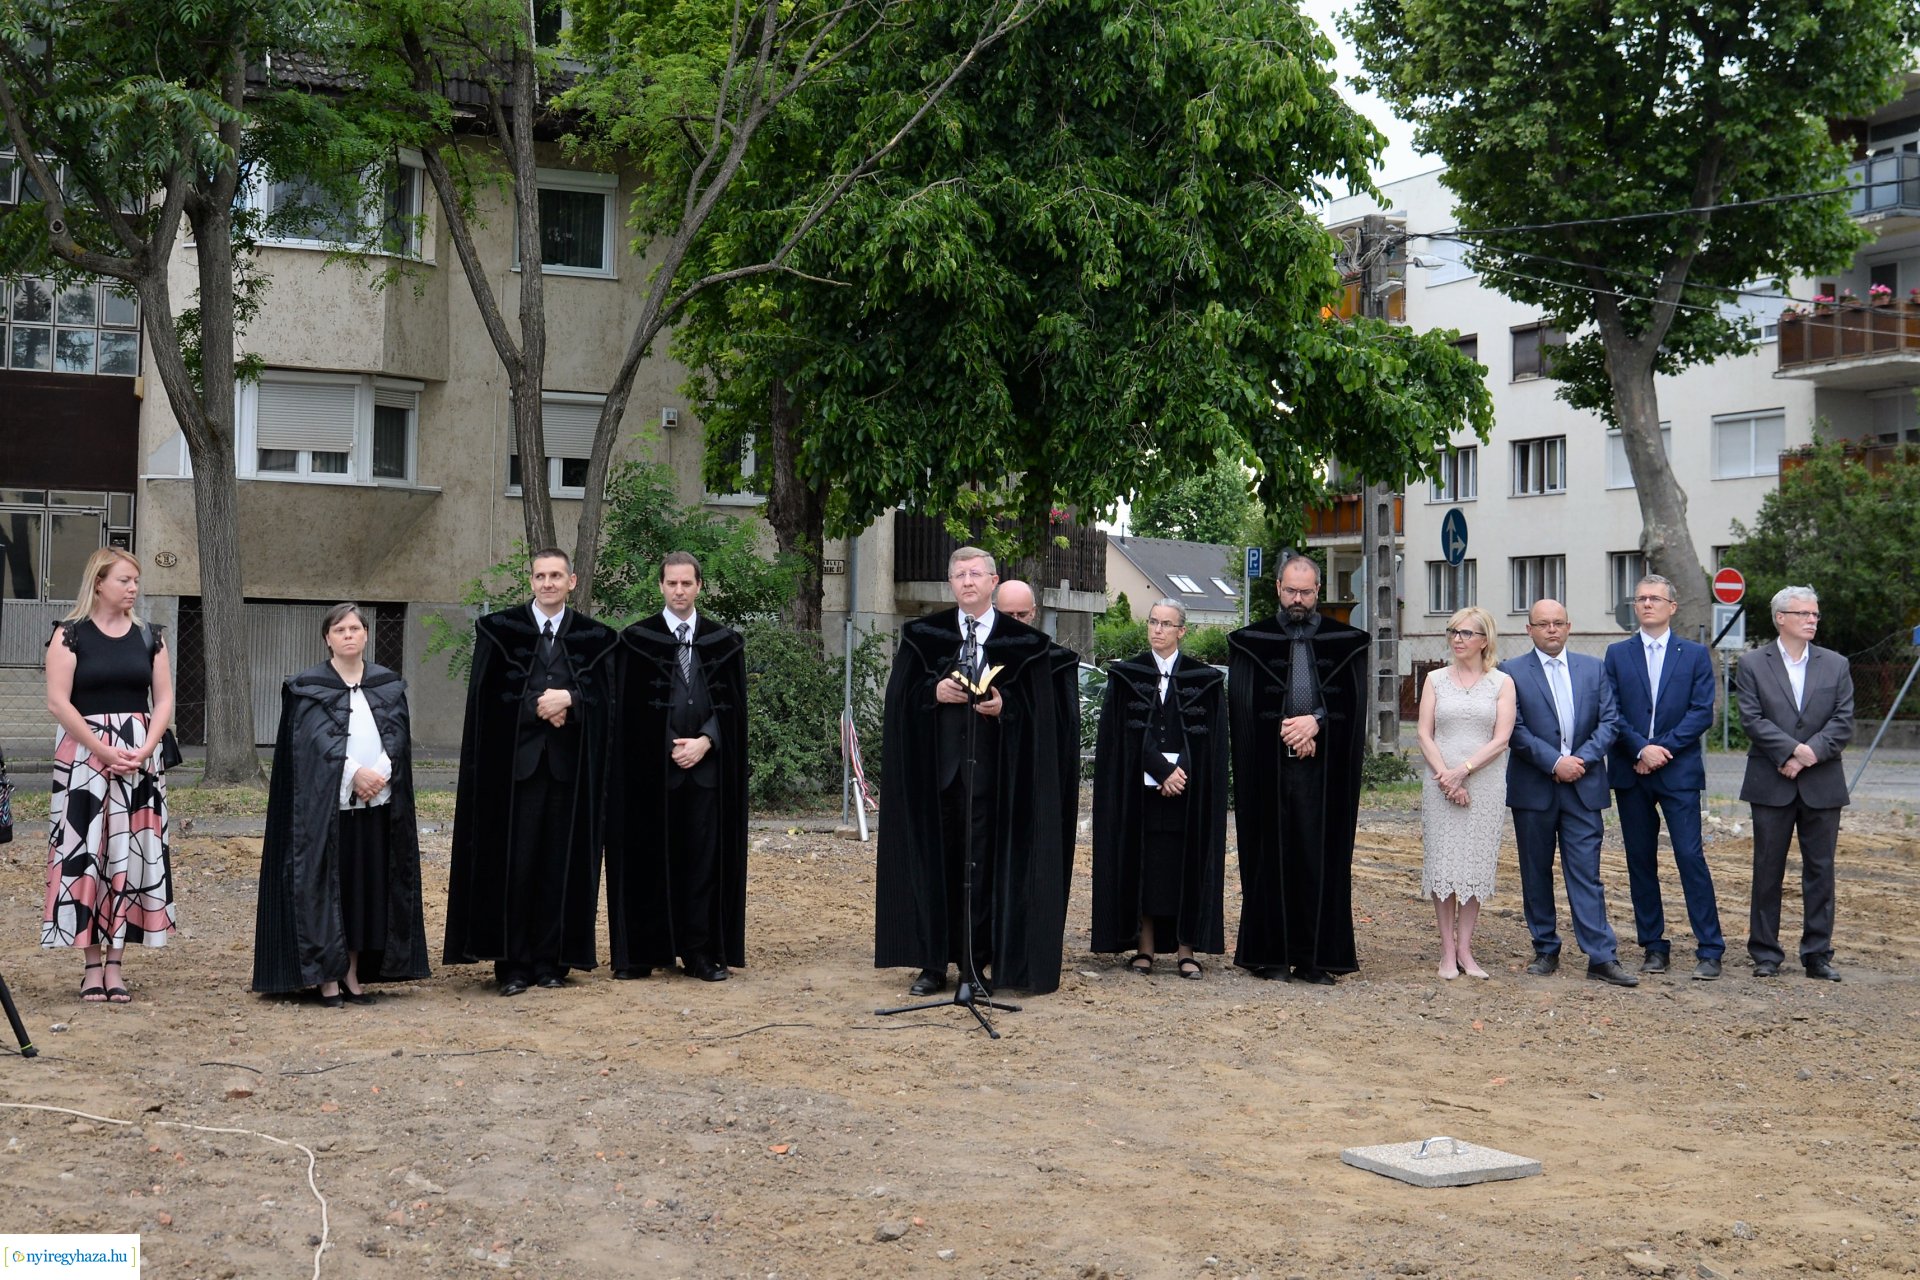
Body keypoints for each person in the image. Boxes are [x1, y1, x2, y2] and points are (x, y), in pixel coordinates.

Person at [875, 547, 1070, 996]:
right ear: (950, 583)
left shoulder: (1021, 642)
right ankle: (931, 964)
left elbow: (1041, 718)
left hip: (993, 782)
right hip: (937, 777)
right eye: (959, 575)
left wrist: (1006, 707)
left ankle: (975, 963)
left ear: (993, 581)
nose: (967, 581)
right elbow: (899, 702)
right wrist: (932, 691)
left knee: (982, 873)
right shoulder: (924, 635)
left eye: (975, 574)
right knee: (934, 868)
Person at [444, 548, 618, 996]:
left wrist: (572, 703)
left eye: (556, 576)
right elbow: (485, 702)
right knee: (515, 867)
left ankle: (551, 962)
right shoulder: (501, 631)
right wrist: (540, 705)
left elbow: (608, 703)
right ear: (531, 580)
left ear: (572, 581)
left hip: (568, 776)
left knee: (557, 866)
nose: (548, 583)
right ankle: (514, 965)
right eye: (540, 576)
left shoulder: (595, 638)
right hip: (514, 774)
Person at [252, 604, 429, 1005]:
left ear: (366, 635)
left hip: (377, 805)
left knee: (362, 893)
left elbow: (397, 737)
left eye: (355, 628)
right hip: (327, 812)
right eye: (340, 629)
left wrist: (380, 772)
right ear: (327, 638)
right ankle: (325, 978)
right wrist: (353, 774)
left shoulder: (387, 685)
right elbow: (311, 745)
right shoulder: (309, 687)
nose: (349, 635)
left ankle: (351, 974)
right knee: (325, 889)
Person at [607, 552, 749, 982]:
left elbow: (735, 711)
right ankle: (646, 951)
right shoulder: (636, 640)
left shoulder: (723, 642)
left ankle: (700, 952)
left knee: (702, 863)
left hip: (706, 774)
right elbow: (625, 711)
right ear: (661, 587)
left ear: (699, 586)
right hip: (653, 773)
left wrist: (706, 740)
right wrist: (667, 743)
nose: (679, 591)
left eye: (687, 583)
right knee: (650, 859)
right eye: (672, 584)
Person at [42, 547, 175, 1004]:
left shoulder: (150, 637)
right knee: (86, 855)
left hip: (138, 759)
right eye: (124, 580)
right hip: (84, 757)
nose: (133, 588)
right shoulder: (69, 635)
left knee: (127, 856)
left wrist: (145, 748)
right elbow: (59, 701)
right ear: (98, 583)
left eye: (136, 581)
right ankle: (90, 966)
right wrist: (100, 748)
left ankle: (116, 963)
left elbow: (163, 700)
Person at [1227, 554, 1369, 984]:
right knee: (1270, 857)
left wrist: (1316, 723)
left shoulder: (1346, 641)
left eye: (1306, 592)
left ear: (1318, 592)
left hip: (1324, 772)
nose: (1298, 599)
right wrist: (1286, 731)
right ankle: (1271, 956)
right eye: (1290, 590)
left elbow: (1353, 705)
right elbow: (1243, 708)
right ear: (1277, 587)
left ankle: (1315, 958)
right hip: (1268, 770)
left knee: (1318, 859)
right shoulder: (1252, 641)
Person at [1091, 599, 1228, 979]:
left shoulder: (1204, 678)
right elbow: (1123, 735)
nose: (1158, 630)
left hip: (1187, 792)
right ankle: (1145, 948)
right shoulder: (1127, 675)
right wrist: (1160, 769)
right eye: (1153, 622)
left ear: (1182, 631)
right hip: (1140, 792)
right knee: (1145, 865)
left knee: (1184, 864)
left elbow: (1209, 739)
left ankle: (1187, 949)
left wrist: (1180, 772)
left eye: (1167, 624)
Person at [1505, 599, 1638, 986]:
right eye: (1543, 624)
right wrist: (1553, 762)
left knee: (1587, 874)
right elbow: (1514, 728)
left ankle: (1600, 956)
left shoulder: (1593, 669)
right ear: (1528, 629)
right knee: (1536, 871)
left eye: (1558, 623)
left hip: (1584, 785)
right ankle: (1545, 947)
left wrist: (1579, 760)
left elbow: (1610, 722)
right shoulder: (1511, 672)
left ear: (1569, 626)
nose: (1551, 629)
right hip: (1534, 788)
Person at [1604, 574, 1725, 980]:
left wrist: (1659, 751)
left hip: (1678, 771)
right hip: (1631, 770)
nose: (1647, 604)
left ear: (1673, 606)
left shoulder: (1692, 654)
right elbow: (1612, 711)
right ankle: (1653, 946)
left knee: (1690, 857)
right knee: (1640, 860)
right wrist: (1640, 748)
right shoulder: (1617, 654)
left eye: (1655, 598)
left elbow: (1701, 712)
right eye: (1640, 598)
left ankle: (1710, 949)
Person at [1736, 586, 1854, 981]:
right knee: (1768, 868)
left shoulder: (1836, 664)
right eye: (1803, 613)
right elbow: (1752, 718)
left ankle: (1817, 954)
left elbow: (1843, 720)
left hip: (1822, 781)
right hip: (1771, 780)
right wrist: (1788, 753)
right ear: (1780, 618)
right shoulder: (1752, 663)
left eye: (1815, 615)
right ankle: (1766, 953)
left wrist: (1808, 754)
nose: (1811, 620)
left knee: (1821, 870)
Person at [1415, 606, 1514, 981]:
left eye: (1466, 633)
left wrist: (1463, 773)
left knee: (1473, 868)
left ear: (1484, 640)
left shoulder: (1501, 682)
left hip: (1483, 783)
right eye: (1453, 631)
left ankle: (1466, 950)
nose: (1458, 639)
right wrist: (1445, 777)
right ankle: (1445, 952)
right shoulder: (1435, 679)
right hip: (1440, 782)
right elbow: (1425, 733)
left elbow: (1501, 738)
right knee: (1443, 867)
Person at [996, 578, 1082, 914]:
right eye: (1008, 615)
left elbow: (1063, 731)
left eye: (1022, 614)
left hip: (1033, 783)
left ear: (1034, 613)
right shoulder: (977, 657)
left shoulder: (1056, 663)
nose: (1016, 622)